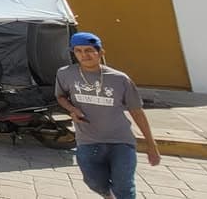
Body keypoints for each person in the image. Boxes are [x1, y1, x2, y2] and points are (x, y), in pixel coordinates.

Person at [55, 32, 159, 199]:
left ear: (101, 52)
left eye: (89, 50)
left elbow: (137, 111)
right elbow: (60, 97)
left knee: (124, 186)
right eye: (78, 51)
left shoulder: (120, 79)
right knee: (93, 182)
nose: (84, 55)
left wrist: (151, 145)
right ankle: (108, 195)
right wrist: (72, 109)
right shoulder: (65, 73)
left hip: (121, 142)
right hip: (88, 141)